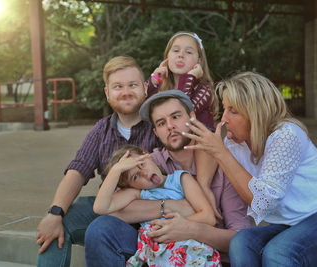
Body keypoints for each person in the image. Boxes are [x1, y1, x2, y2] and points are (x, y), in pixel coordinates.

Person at [182, 71, 317, 266]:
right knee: (241, 242)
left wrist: (221, 153)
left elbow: (264, 201)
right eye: (224, 109)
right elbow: (210, 164)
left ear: (256, 112)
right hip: (295, 225)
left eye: (233, 111)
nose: (224, 118)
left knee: (278, 252)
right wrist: (204, 184)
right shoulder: (235, 146)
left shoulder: (286, 135)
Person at [84, 90, 250, 267]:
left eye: (176, 117)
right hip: (157, 252)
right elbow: (111, 210)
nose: (170, 126)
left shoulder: (222, 166)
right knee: (100, 228)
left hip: (204, 257)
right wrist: (168, 207)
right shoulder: (148, 164)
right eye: (162, 123)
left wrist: (190, 228)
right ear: (156, 132)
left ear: (192, 117)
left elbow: (240, 238)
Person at [35, 56, 164, 267]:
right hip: (111, 209)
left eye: (133, 85)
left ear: (145, 87)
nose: (126, 92)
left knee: (102, 226)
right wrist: (55, 211)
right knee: (55, 221)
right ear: (107, 93)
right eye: (118, 86)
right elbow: (77, 171)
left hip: (150, 218)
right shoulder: (101, 130)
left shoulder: (158, 125)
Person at [94, 144, 221, 266]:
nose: (144, 173)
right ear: (131, 186)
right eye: (135, 177)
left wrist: (173, 226)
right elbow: (101, 207)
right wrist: (116, 170)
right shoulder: (139, 193)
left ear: (147, 155)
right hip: (161, 258)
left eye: (142, 164)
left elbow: (208, 217)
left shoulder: (180, 179)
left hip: (193, 252)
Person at [148, 31, 220, 219]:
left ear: (199, 61)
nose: (181, 55)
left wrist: (190, 78)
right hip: (174, 157)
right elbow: (147, 107)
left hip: (202, 160)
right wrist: (155, 79)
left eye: (189, 52)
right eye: (176, 51)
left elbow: (184, 106)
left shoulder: (204, 89)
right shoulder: (162, 87)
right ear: (166, 58)